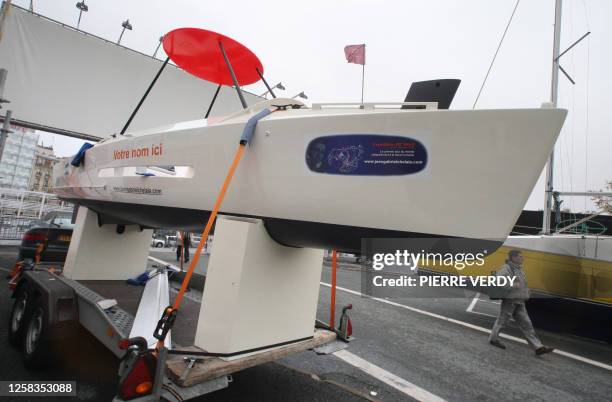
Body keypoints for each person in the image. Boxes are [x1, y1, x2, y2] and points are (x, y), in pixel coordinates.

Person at [489, 249, 554, 356]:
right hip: (511, 300)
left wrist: (526, 292)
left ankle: (538, 347)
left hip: (519, 301)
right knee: (502, 321)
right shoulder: (507, 268)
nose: (522, 258)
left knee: (527, 324)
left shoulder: (519, 269)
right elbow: (497, 280)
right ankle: (493, 339)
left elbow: (521, 284)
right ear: (514, 258)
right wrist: (512, 286)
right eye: (520, 256)